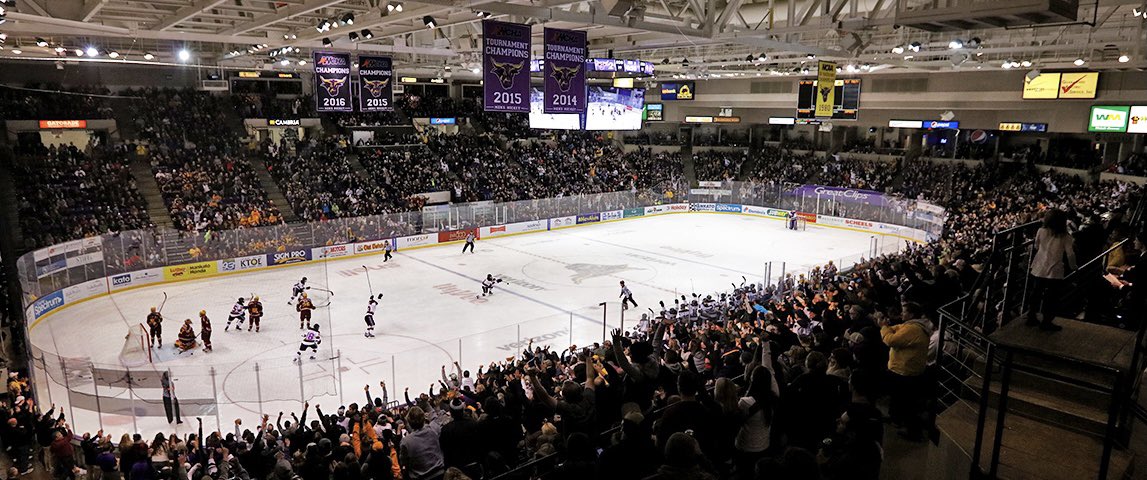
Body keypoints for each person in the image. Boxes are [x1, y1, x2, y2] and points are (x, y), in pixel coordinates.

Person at [879, 301, 933, 442]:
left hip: (905, 371)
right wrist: (888, 328)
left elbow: (891, 339)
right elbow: (894, 328)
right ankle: (895, 418)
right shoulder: (910, 326)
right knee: (897, 397)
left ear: (912, 314)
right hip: (903, 369)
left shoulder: (913, 329)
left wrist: (884, 327)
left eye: (904, 311)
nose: (902, 313)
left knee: (907, 403)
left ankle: (913, 431)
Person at [1026, 208, 1076, 331]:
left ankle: (1031, 316)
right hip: (1054, 271)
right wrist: (1073, 266)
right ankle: (1046, 322)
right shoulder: (1066, 237)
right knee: (1051, 298)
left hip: (1038, 267)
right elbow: (1070, 254)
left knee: (1035, 294)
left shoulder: (1040, 231)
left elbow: (1037, 246)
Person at [399, 407, 444, 480]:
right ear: (424, 419)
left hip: (421, 477)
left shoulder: (406, 441)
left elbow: (403, 462)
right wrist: (427, 404)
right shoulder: (433, 429)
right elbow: (435, 417)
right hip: (440, 473)